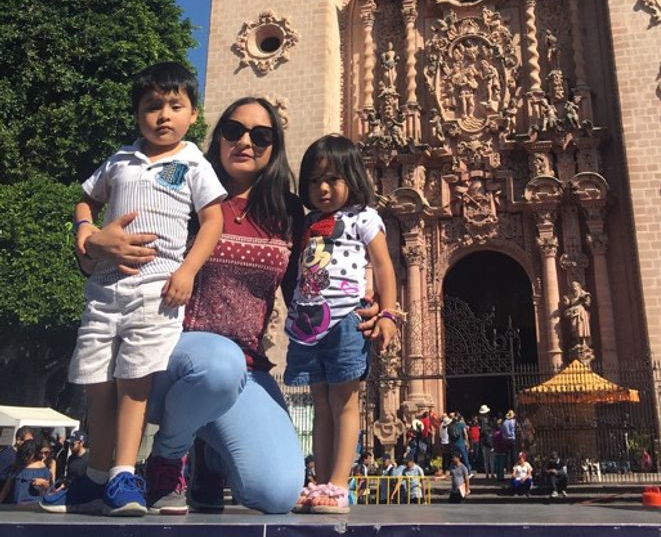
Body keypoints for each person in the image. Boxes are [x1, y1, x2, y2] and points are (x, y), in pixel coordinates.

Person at [48, 96, 350, 517]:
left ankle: (207, 451)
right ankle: (167, 459)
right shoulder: (179, 188)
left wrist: (366, 308)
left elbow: (308, 290)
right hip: (165, 358)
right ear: (217, 135)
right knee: (217, 362)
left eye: (260, 135)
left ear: (274, 146)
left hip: (243, 371)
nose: (245, 141)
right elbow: (102, 255)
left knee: (278, 492)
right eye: (234, 130)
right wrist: (89, 241)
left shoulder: (288, 213)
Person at [41, 63, 226, 518]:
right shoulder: (120, 160)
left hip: (155, 291)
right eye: (152, 106)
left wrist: (187, 271)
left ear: (193, 113)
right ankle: (97, 477)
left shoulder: (193, 163)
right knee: (97, 385)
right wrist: (87, 232)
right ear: (137, 114)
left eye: (175, 106)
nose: (164, 115)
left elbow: (213, 221)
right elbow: (85, 198)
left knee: (134, 384)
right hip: (103, 292)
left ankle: (125, 471)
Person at [284, 134, 398, 514]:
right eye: (315, 180)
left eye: (332, 179)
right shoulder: (308, 222)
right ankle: (321, 482)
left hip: (347, 318)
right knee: (320, 404)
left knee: (344, 401)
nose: (323, 188)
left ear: (353, 177)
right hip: (308, 323)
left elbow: (383, 265)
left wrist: (387, 314)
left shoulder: (363, 217)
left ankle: (339, 484)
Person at [0, 439, 52, 504]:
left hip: (29, 506)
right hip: (29, 506)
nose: (26, 458)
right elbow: (6, 489)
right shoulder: (18, 468)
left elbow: (6, 489)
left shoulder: (18, 468)